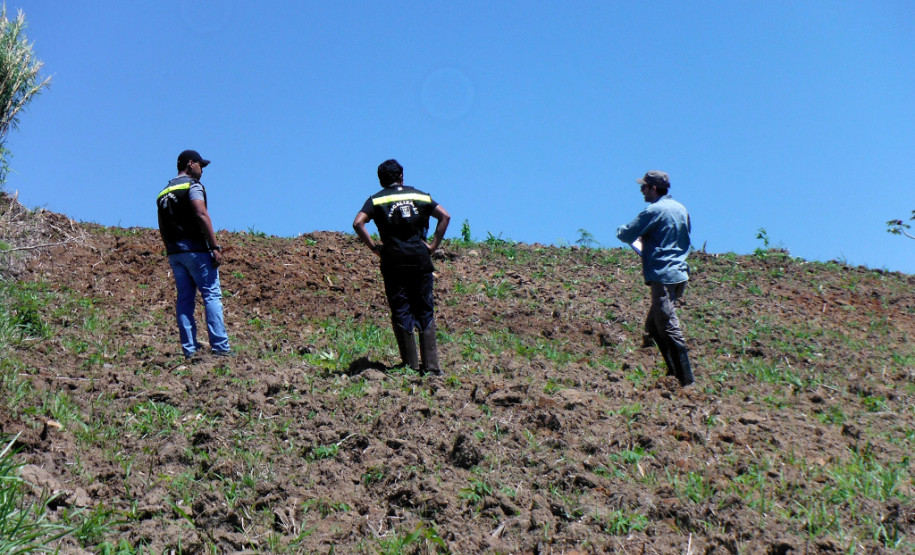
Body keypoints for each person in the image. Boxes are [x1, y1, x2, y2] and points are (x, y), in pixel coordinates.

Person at [353, 159, 451, 375]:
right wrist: (433, 245)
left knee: (401, 308)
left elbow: (358, 222)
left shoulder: (376, 200)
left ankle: (410, 366)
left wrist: (374, 247)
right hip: (419, 257)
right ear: (401, 176)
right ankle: (432, 367)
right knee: (424, 308)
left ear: (381, 180)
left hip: (393, 259)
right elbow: (445, 216)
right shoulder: (420, 196)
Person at [617, 170, 694, 386]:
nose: (641, 191)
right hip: (680, 274)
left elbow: (626, 234)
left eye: (644, 187)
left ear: (653, 188)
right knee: (653, 325)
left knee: (668, 325)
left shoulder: (653, 211)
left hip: (663, 275)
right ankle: (674, 374)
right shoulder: (681, 209)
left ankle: (686, 380)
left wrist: (621, 230)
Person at [156, 149, 232, 360]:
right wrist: (214, 246)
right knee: (211, 295)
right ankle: (221, 347)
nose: (202, 169)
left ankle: (189, 350)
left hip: (175, 252)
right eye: (200, 165)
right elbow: (201, 213)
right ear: (190, 164)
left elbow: (162, 226)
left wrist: (169, 249)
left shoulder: (163, 193)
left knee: (185, 301)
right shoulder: (192, 186)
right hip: (196, 250)